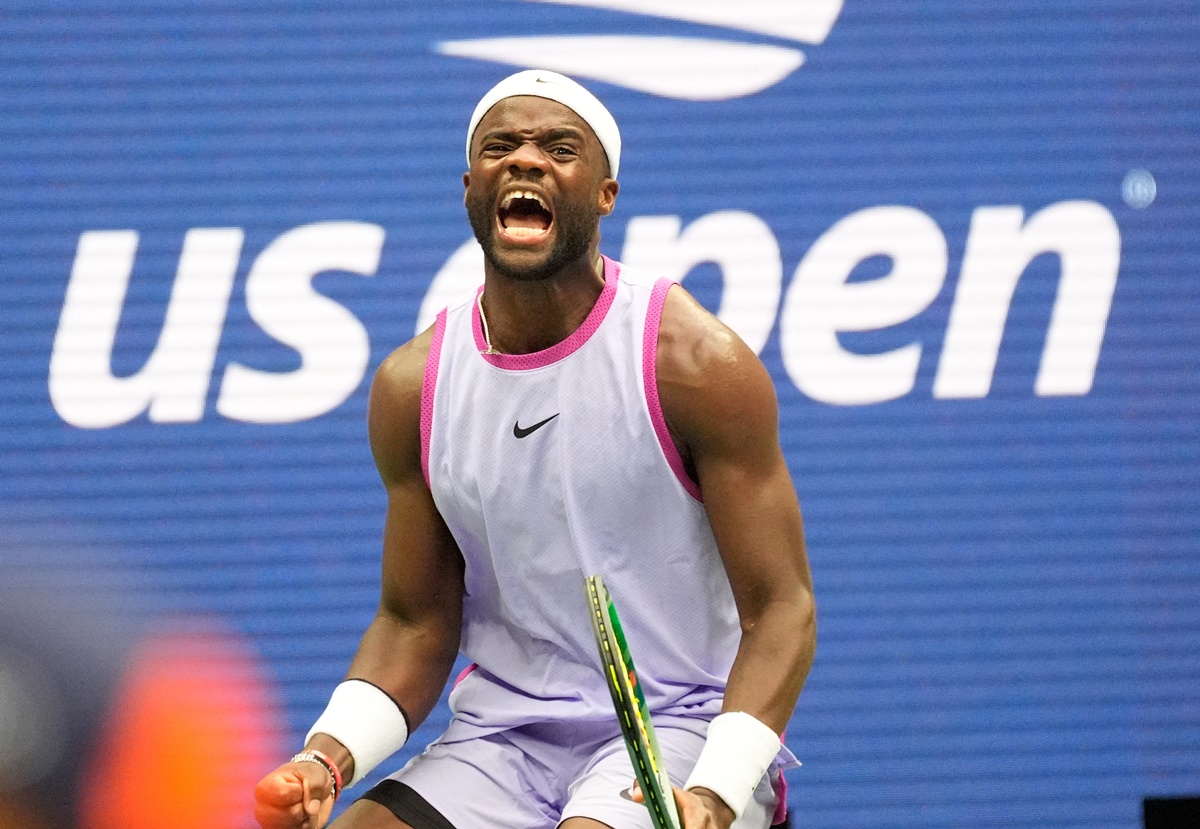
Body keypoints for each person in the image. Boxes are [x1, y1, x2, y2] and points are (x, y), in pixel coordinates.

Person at [254, 69, 816, 829]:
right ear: (469, 186)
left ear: (605, 193)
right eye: (501, 147)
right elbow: (414, 622)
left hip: (680, 728)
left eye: (559, 147)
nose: (525, 161)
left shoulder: (694, 364)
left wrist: (716, 791)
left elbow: (782, 608)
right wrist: (328, 757)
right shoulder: (412, 385)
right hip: (505, 737)